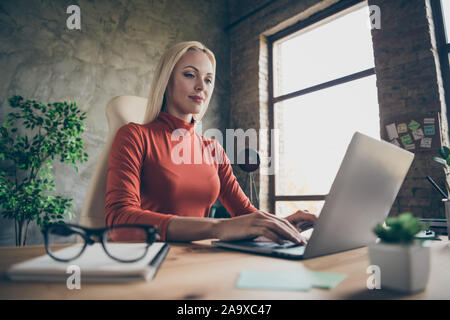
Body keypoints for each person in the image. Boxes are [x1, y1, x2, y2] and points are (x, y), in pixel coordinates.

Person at [105, 41, 316, 245]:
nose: (201, 87)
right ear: (166, 80)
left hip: (199, 258)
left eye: (208, 80)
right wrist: (218, 227)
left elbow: (245, 214)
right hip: (153, 260)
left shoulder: (212, 149)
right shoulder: (134, 136)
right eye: (190, 75)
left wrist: (282, 224)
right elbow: (119, 219)